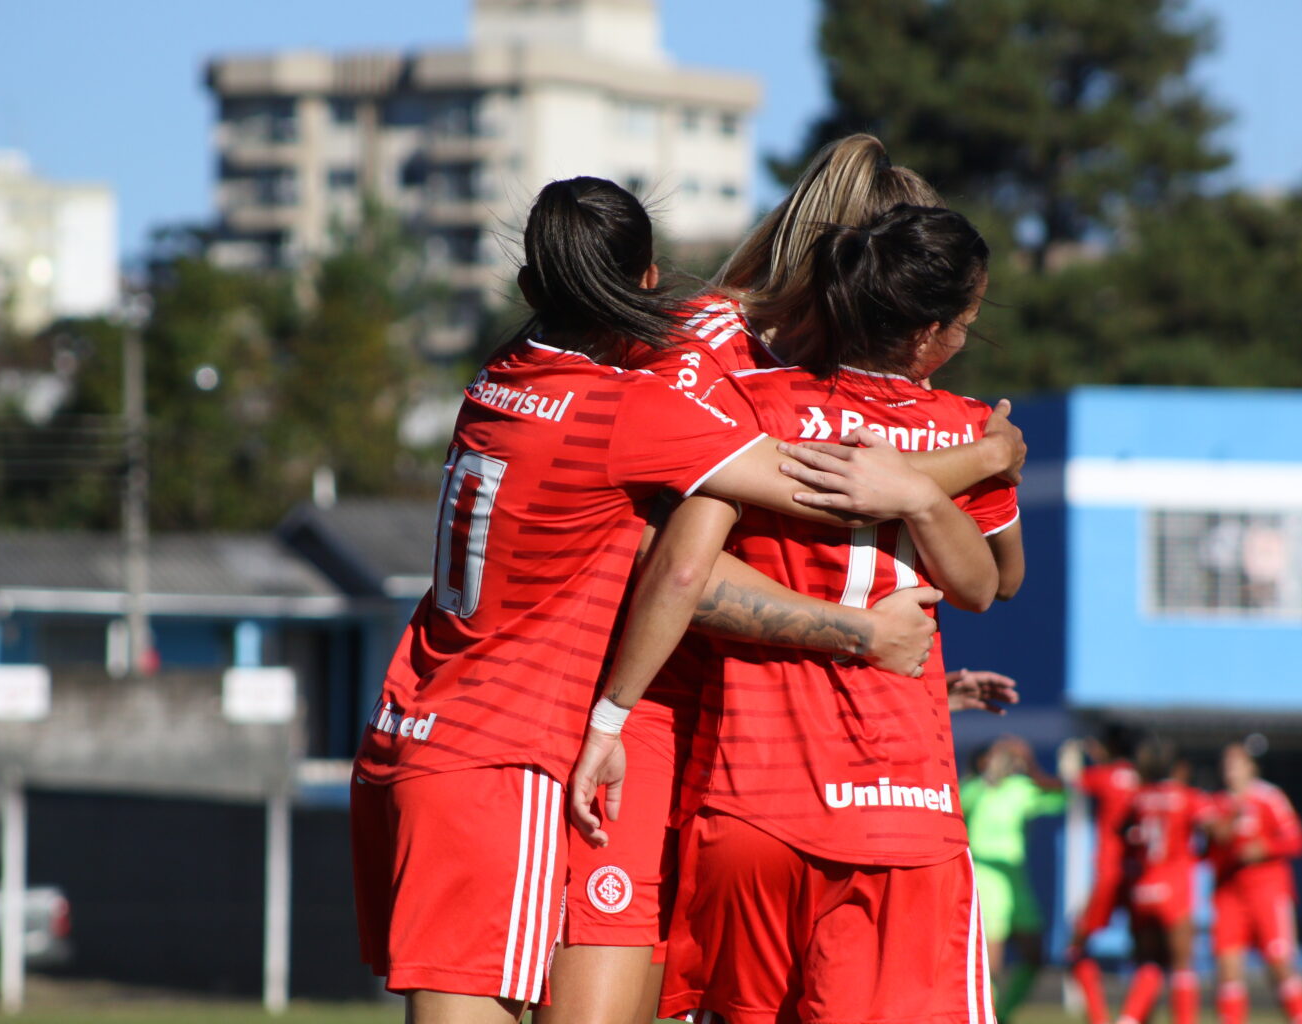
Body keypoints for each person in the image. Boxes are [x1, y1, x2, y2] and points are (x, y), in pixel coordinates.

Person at [349, 176, 949, 1024]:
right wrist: (979, 461)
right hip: (509, 750)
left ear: (529, 292)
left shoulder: (496, 379)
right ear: (647, 279)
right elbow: (824, 486)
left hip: (413, 728)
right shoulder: (628, 413)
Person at [550, 134, 1026, 1024]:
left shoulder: (815, 382)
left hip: (762, 746)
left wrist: (905, 680)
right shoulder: (720, 355)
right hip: (649, 716)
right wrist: (976, 463)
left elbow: (862, 509)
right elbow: (680, 561)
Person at [960, 735, 1067, 1024]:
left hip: (1015, 880)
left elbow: (1061, 793)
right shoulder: (974, 790)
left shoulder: (1019, 789)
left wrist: (1030, 762)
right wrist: (986, 776)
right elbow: (958, 806)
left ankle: (1002, 1014)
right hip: (986, 881)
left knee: (1034, 954)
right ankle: (985, 1017)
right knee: (990, 965)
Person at [1206, 742, 1302, 1024]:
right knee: (1228, 969)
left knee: (1278, 965)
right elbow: (1206, 851)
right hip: (1229, 894)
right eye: (1226, 764)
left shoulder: (1269, 797)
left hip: (1267, 891)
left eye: (1237, 763)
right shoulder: (1217, 804)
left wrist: (1263, 848)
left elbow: (1296, 840)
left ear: (1251, 767)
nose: (1230, 770)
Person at [1116, 737, 1209, 1024]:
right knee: (1182, 966)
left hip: (1143, 890)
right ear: (1179, 768)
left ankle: (1128, 1018)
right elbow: (1217, 828)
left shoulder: (1139, 798)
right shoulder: (1187, 797)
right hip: (1174, 889)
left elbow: (1122, 833)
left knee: (1148, 964)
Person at [1059, 724, 1143, 1024]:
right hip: (1141, 875)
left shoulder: (1106, 776)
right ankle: (1133, 1016)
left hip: (1109, 873)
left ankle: (1099, 1019)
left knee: (1076, 947)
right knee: (1149, 955)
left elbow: (1068, 781)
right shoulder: (1143, 779)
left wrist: (1070, 758)